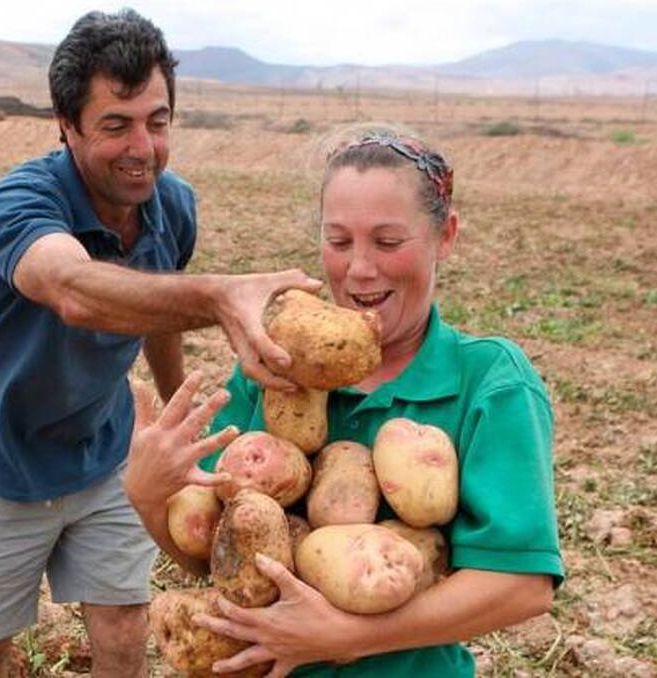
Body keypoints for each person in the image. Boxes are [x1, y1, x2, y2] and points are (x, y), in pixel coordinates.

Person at [0, 8, 319, 678]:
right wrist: (217, 297)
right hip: (1, 466)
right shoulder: (19, 202)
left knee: (122, 625)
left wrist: (177, 413)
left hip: (106, 455)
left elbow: (157, 314)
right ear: (67, 125)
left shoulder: (173, 206)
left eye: (158, 121)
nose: (143, 147)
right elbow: (75, 291)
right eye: (116, 125)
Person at [124, 130, 564, 677]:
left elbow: (522, 587)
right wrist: (147, 497)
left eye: (387, 241)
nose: (359, 269)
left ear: (444, 236)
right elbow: (216, 558)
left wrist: (350, 637)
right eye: (338, 241)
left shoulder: (490, 379)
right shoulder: (272, 367)